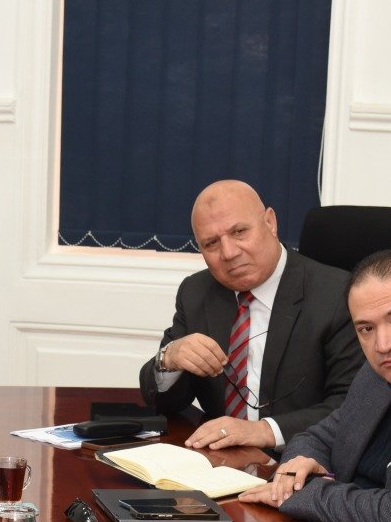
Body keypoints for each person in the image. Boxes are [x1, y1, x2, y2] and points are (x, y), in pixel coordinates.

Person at [238, 249, 391, 522]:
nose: (384, 344)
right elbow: (319, 436)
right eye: (366, 328)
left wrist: (302, 494)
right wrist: (296, 469)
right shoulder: (382, 370)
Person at [140, 180, 362, 451]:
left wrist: (263, 431)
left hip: (302, 459)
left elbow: (352, 405)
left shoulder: (338, 295)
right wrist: (170, 359)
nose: (229, 253)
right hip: (220, 460)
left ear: (270, 222)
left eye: (239, 232)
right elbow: (165, 402)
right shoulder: (196, 292)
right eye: (211, 243)